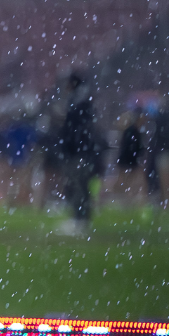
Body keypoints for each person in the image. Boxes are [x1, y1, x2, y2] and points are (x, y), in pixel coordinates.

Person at [51, 71, 100, 235]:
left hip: (76, 151)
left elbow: (73, 128)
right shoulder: (84, 100)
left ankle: (79, 220)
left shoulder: (77, 102)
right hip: (82, 151)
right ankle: (82, 219)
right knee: (80, 185)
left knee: (77, 185)